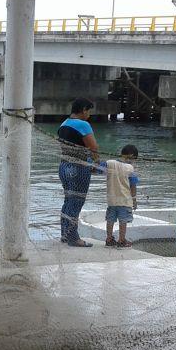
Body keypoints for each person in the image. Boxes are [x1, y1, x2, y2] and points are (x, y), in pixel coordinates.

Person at [58, 98, 100, 247]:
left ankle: (65, 234)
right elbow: (93, 147)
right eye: (88, 111)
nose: (89, 114)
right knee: (77, 202)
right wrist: (96, 163)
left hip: (64, 166)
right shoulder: (83, 124)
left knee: (68, 201)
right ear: (83, 110)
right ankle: (74, 238)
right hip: (79, 167)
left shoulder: (64, 123)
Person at [104, 144, 140, 249]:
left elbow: (98, 167)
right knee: (123, 221)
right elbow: (133, 186)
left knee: (110, 220)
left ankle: (109, 239)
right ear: (132, 156)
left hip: (111, 200)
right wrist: (134, 200)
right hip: (124, 200)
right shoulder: (130, 168)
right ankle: (121, 240)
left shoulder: (110, 163)